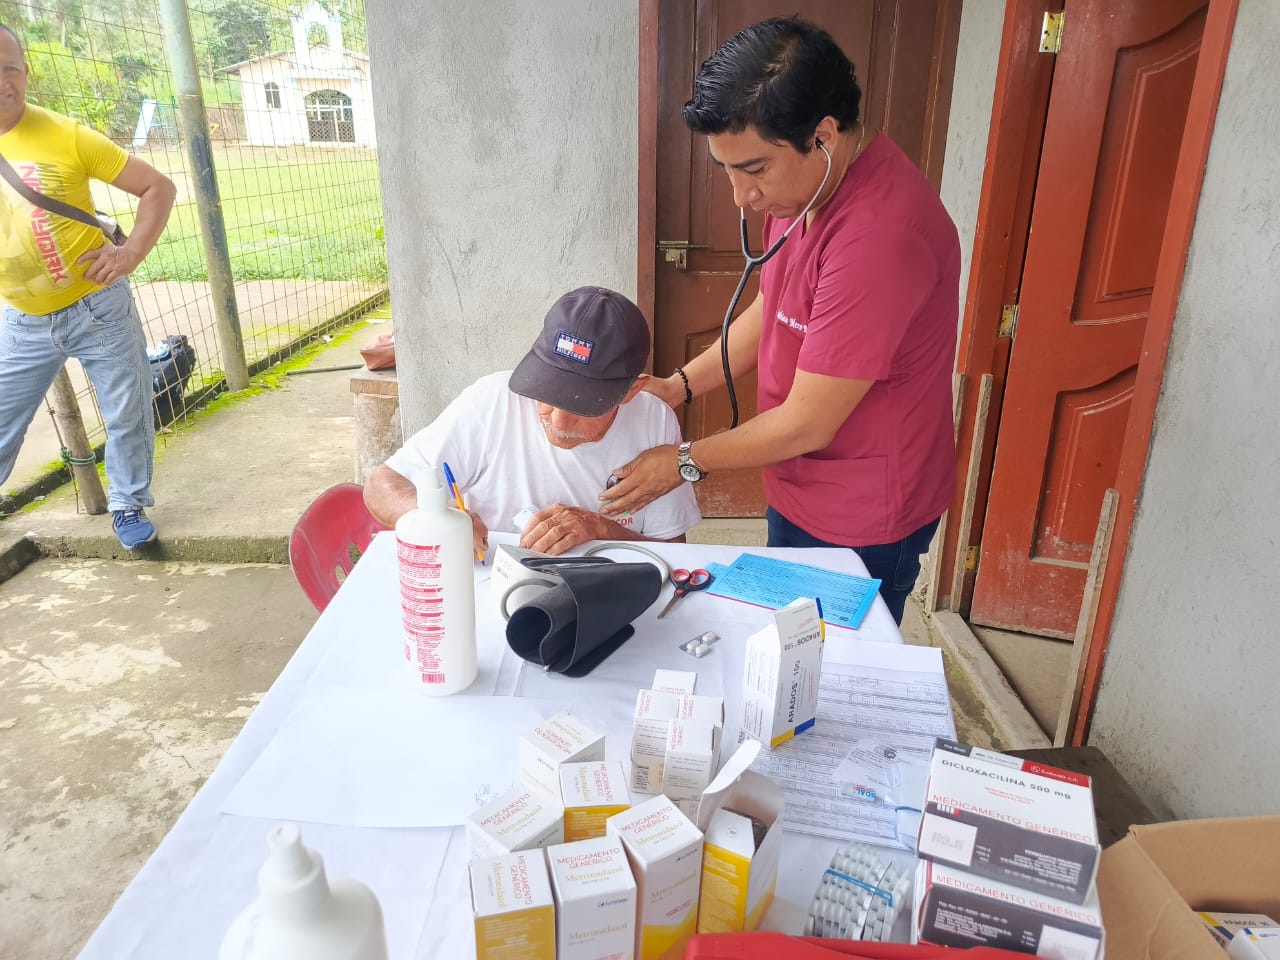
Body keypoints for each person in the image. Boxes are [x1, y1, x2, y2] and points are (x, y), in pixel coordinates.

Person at [601, 17, 960, 624]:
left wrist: (683, 461)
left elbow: (807, 423)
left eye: (755, 169)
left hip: (862, 511)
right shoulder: (806, 189)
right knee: (787, 640)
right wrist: (677, 386)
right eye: (727, 170)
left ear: (822, 136)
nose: (741, 196)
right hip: (798, 484)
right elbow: (774, 307)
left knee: (828, 662)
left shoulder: (879, 238)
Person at [0, 23, 176, 549]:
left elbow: (157, 187)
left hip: (97, 307)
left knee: (127, 410)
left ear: (26, 72)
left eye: (10, 69)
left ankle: (128, 503)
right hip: (22, 319)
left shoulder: (65, 134)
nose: (3, 83)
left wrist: (130, 253)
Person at [364, 286, 701, 556]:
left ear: (630, 392)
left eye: (582, 405)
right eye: (547, 393)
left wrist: (602, 530)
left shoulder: (653, 422)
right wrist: (439, 519)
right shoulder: (492, 400)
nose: (558, 421)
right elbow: (382, 485)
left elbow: (674, 552)